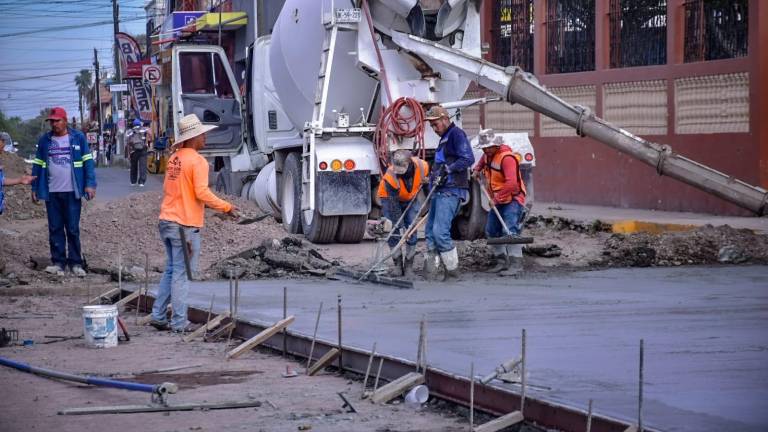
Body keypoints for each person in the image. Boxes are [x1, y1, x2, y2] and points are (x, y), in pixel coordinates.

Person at [150, 114, 237, 333]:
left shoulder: (174, 159)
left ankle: (158, 315)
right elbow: (201, 192)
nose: (205, 138)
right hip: (184, 226)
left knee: (171, 270)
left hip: (167, 221)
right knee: (181, 274)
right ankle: (179, 322)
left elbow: (184, 191)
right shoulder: (198, 161)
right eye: (202, 135)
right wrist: (226, 207)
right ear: (193, 137)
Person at [30, 107, 97, 277]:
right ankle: (58, 263)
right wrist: (34, 188)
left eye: (57, 121)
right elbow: (37, 165)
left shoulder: (78, 138)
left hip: (72, 192)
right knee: (55, 228)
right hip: (51, 192)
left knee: (72, 228)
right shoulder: (45, 140)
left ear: (65, 121)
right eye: (51, 121)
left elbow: (88, 161)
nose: (54, 124)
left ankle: (75, 263)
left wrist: (90, 184)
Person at [423, 105, 474, 279]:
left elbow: (468, 158)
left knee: (440, 232)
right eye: (431, 126)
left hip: (451, 190)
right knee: (430, 231)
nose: (434, 128)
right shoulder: (444, 137)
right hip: (439, 190)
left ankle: (452, 272)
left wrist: (448, 170)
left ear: (445, 119)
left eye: (435, 124)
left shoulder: (456, 135)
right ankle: (431, 271)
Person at [472, 129, 527, 274]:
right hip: (498, 200)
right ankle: (501, 262)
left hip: (513, 199)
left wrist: (496, 199)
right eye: (483, 147)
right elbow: (481, 163)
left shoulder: (507, 158)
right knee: (491, 230)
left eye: (487, 147)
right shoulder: (487, 156)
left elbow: (512, 184)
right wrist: (476, 170)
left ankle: (516, 264)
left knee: (509, 230)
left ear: (495, 145)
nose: (485, 150)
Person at [377, 149, 429, 276]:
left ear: (409, 164)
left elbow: (427, 185)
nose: (399, 174)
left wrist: (429, 202)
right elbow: (394, 206)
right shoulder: (390, 177)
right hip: (389, 198)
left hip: (411, 196)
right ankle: (398, 266)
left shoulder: (423, 166)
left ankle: (409, 266)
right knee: (394, 230)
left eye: (402, 171)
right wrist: (399, 227)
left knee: (411, 228)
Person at [126, 119, 148, 186]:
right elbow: (149, 136)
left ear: (133, 124)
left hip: (134, 150)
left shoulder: (130, 131)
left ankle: (133, 181)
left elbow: (127, 143)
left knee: (133, 166)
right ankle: (141, 182)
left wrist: (128, 153)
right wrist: (147, 143)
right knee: (143, 166)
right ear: (140, 124)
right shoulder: (144, 130)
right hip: (143, 149)